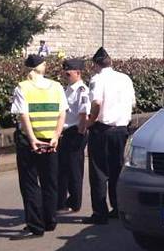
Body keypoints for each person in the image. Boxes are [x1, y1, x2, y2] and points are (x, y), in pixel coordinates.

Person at [10, 54, 66, 239]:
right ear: (42, 68)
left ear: (28, 69)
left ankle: (35, 225)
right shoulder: (56, 86)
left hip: (30, 142)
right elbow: (61, 114)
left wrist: (32, 138)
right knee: (50, 181)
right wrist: (56, 136)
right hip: (51, 140)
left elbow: (23, 115)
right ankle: (50, 220)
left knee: (30, 183)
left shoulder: (23, 87)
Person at [86, 47, 135, 224]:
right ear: (111, 62)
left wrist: (90, 121)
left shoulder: (97, 79)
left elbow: (96, 103)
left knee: (99, 172)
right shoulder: (125, 78)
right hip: (122, 130)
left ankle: (100, 212)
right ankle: (117, 207)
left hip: (102, 129)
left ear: (95, 64)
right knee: (117, 170)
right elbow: (132, 103)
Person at [57, 58, 90, 213]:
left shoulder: (81, 90)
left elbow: (84, 114)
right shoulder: (67, 89)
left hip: (75, 132)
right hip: (65, 133)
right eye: (65, 73)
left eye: (68, 73)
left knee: (74, 169)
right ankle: (62, 201)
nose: (66, 75)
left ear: (78, 72)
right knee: (62, 168)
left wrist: (81, 133)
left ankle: (75, 202)